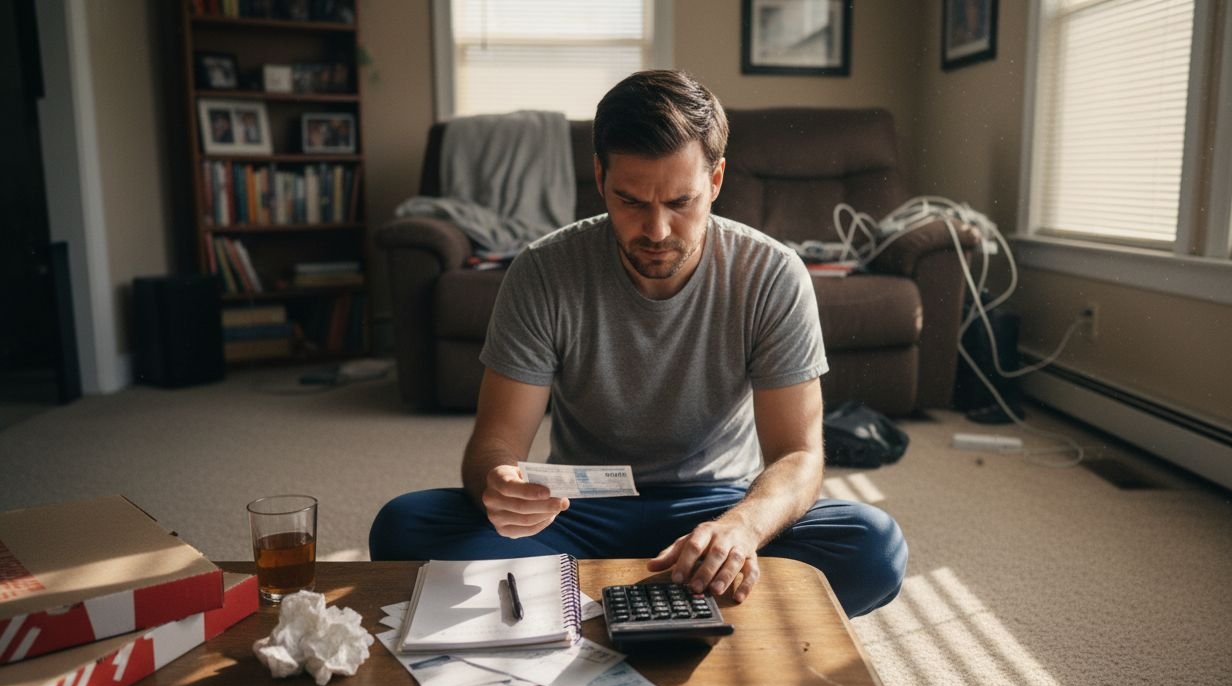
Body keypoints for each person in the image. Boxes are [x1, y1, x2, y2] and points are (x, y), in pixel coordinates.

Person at [369, 70, 907, 618]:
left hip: (717, 505)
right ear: (600, 177)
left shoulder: (771, 274)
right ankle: (683, 602)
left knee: (874, 545)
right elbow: (495, 441)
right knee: (404, 526)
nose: (656, 230)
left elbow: (799, 455)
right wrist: (499, 482)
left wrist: (740, 529)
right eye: (631, 202)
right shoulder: (542, 271)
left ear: (716, 180)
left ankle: (584, 602)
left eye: (680, 201)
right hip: (577, 513)